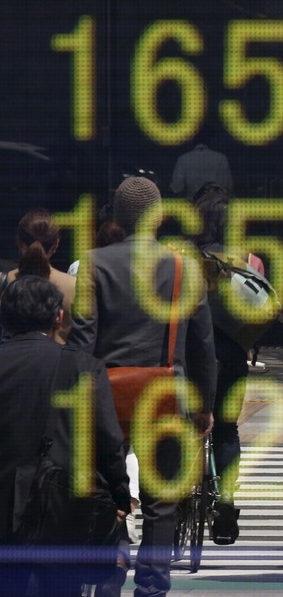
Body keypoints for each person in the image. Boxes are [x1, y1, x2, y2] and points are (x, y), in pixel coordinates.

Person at [69, 176, 217, 596]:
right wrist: (205, 406)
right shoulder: (184, 266)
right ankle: (152, 588)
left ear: (117, 215)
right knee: (160, 502)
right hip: (166, 392)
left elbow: (82, 342)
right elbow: (204, 344)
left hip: (105, 395)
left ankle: (110, 574)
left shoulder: (94, 263)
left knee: (107, 491)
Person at [0, 276, 130, 596]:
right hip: (62, 506)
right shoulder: (84, 367)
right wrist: (119, 494)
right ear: (58, 317)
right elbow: (107, 438)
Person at [192, 185, 254, 544]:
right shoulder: (239, 261)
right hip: (230, 355)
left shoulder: (186, 258)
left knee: (188, 425)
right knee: (226, 430)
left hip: (191, 355)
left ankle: (185, 492)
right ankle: (226, 504)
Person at [3, 208, 76, 343]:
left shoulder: (3, 282)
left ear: (19, 243)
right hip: (58, 362)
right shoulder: (73, 286)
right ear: (56, 244)